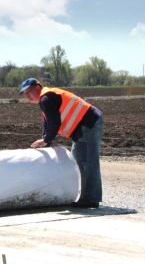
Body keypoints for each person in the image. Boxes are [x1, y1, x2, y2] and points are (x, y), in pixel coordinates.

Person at [19, 78, 103, 208]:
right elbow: (48, 123)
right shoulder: (46, 99)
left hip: (89, 123)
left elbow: (54, 122)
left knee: (88, 161)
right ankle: (86, 197)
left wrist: (46, 140)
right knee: (78, 159)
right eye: (26, 94)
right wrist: (45, 141)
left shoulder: (46, 99)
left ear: (37, 87)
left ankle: (91, 199)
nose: (28, 97)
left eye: (29, 92)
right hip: (83, 126)